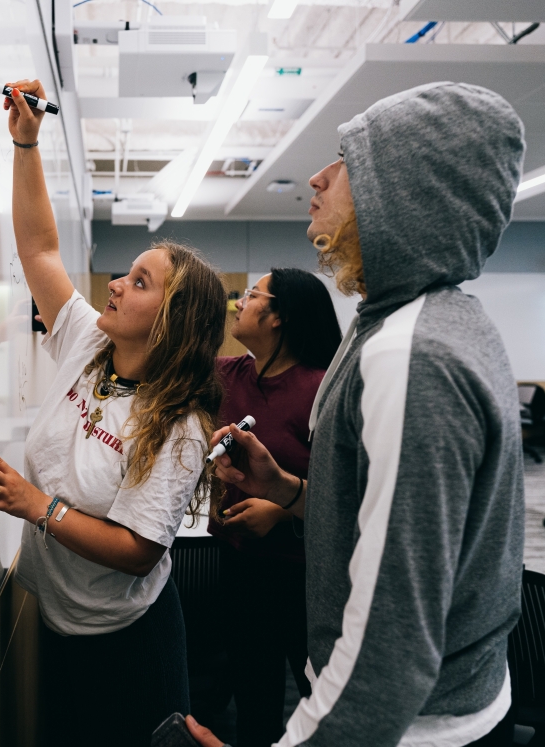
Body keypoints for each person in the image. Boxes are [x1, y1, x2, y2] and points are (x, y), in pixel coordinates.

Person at [188, 82, 527, 747]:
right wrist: (287, 491)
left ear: (404, 193)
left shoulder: (412, 351)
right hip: (444, 705)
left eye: (348, 162)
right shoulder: (416, 323)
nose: (318, 176)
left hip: (408, 726)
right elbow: (405, 525)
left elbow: (393, 641)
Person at [0, 79, 226, 747]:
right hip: (57, 617)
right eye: (127, 272)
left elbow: (139, 551)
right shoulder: (92, 342)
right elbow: (38, 253)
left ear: (170, 323)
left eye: (139, 281)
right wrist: (27, 143)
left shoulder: (179, 425)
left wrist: (39, 507)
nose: (115, 283)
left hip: (128, 645)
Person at [208, 269, 342, 747]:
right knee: (254, 698)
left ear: (279, 316)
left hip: (304, 575)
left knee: (320, 693)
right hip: (240, 565)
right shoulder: (227, 374)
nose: (237, 303)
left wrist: (281, 510)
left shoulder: (322, 389)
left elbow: (347, 489)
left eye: (250, 295)